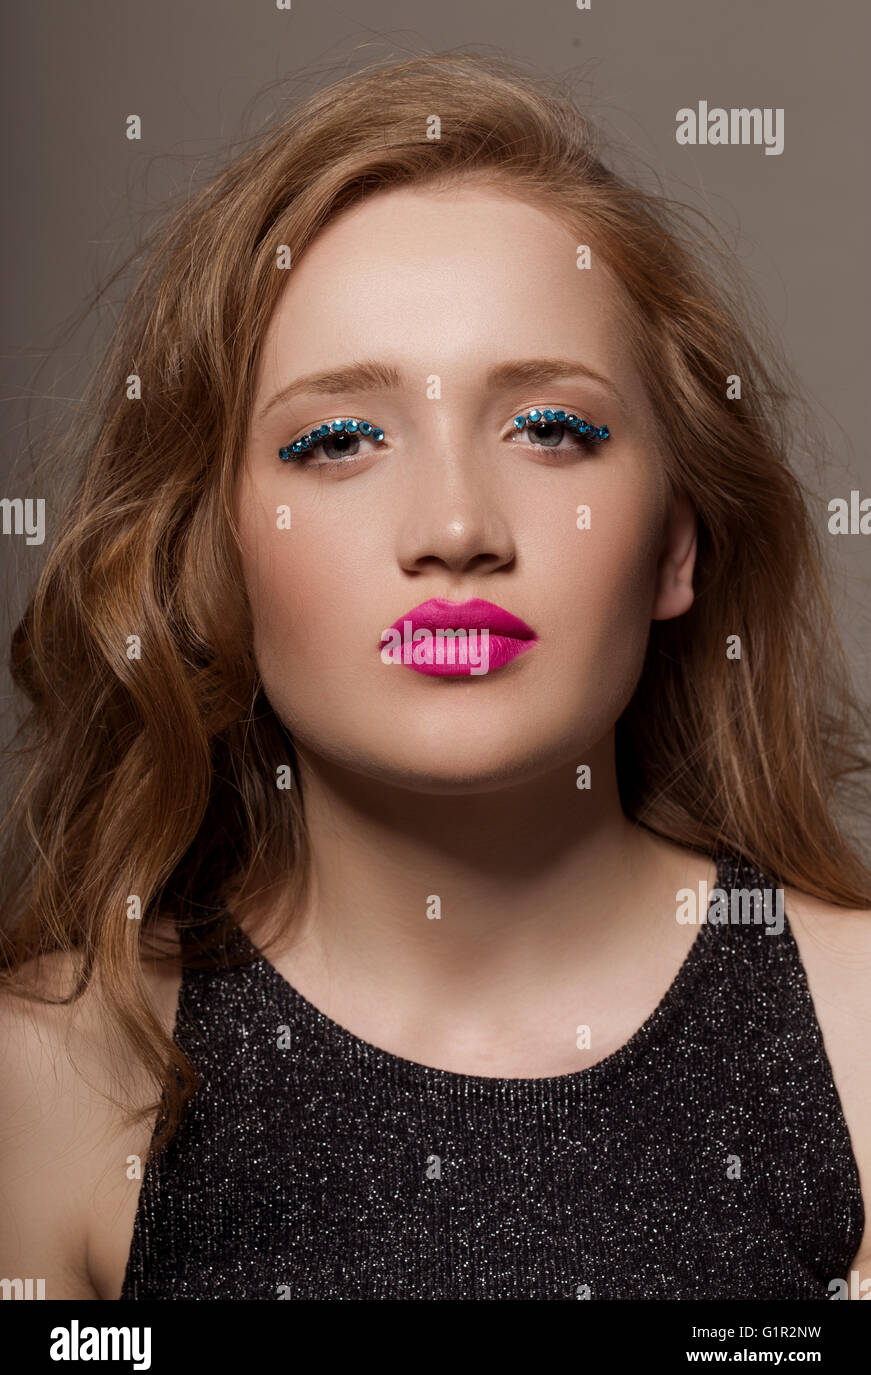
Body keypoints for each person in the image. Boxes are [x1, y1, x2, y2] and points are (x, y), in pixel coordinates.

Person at [1, 52, 869, 1302]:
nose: (456, 528)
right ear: (217, 555)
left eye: (551, 428)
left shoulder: (858, 1040)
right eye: (338, 439)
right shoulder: (48, 1084)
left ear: (676, 541)